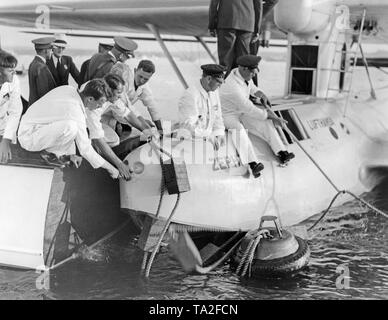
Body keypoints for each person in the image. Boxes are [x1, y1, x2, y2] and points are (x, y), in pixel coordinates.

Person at [17, 79, 121, 179]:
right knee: (71, 127)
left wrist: (71, 153)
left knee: (71, 126)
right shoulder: (75, 111)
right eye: (100, 103)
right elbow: (86, 150)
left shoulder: (69, 89)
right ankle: (50, 154)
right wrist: (111, 168)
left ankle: (60, 153)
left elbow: (60, 117)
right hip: (29, 138)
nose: (100, 106)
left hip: (29, 127)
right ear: (90, 99)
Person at [219, 54, 295, 165]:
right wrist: (271, 116)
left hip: (241, 111)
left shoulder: (241, 75)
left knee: (266, 123)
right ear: (244, 69)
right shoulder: (232, 87)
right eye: (253, 72)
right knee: (239, 130)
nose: (255, 74)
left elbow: (252, 87)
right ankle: (253, 163)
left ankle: (281, 152)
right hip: (227, 115)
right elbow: (248, 107)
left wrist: (261, 94)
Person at [85, 73, 158, 179]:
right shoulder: (94, 106)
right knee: (110, 141)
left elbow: (128, 115)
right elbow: (98, 138)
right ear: (108, 90)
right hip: (82, 123)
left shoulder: (112, 98)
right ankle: (100, 159)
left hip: (95, 121)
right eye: (118, 93)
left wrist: (147, 131)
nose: (120, 96)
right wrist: (120, 165)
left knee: (113, 139)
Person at [208, 0, 262, 73]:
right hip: (247, 23)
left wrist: (212, 25)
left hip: (226, 22)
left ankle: (225, 82)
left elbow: (214, 3)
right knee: (244, 62)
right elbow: (258, 5)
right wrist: (257, 29)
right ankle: (242, 83)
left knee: (225, 61)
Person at [111, 59, 163, 134]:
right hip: (109, 114)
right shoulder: (123, 81)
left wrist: (160, 130)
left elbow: (153, 108)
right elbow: (126, 106)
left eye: (146, 79)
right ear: (135, 71)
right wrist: (143, 124)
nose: (142, 81)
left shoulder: (144, 88)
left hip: (121, 116)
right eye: (140, 76)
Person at [0, 50, 23, 164]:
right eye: (10, 71)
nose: (14, 73)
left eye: (14, 70)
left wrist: (6, 140)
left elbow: (15, 111)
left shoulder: (14, 81)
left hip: (3, 127)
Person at [28, 36, 57, 106]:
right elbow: (44, 94)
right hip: (40, 108)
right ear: (46, 51)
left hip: (33, 106)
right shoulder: (41, 67)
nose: (52, 53)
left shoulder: (33, 63)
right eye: (51, 50)